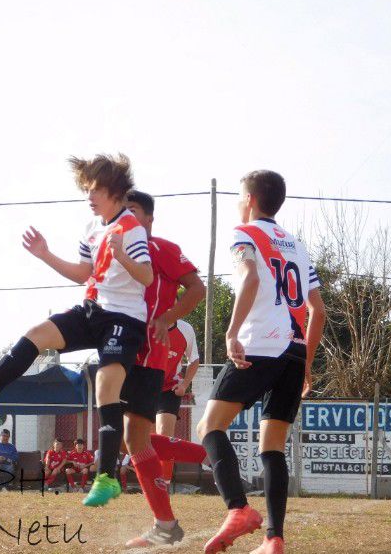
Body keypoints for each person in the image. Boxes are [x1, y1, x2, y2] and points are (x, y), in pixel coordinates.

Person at [0, 154, 153, 507]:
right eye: (86, 188)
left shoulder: (130, 228)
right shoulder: (92, 227)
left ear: (114, 190)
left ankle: (105, 478)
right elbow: (83, 273)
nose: (88, 195)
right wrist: (45, 254)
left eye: (95, 189)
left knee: (105, 388)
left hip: (124, 319)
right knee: (37, 333)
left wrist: (124, 257)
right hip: (92, 310)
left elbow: (146, 276)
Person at [197, 170, 326, 554]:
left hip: (260, 345)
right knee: (272, 447)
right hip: (294, 349)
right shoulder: (299, 247)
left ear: (250, 200)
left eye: (239, 196)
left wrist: (231, 332)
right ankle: (274, 539)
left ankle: (238, 509)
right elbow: (317, 311)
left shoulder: (244, 233)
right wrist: (305, 364)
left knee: (209, 426)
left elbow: (250, 277)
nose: (239, 203)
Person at [117, 189, 206, 547]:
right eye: (121, 212)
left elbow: (197, 288)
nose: (126, 218)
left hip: (150, 356)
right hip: (123, 352)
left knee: (134, 436)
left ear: (150, 218)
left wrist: (168, 317)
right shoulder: (114, 251)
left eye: (133, 211)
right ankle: (211, 453)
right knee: (131, 438)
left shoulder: (163, 249)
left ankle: (165, 523)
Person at [155, 318, 200, 480]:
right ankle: (147, 480)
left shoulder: (185, 329)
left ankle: (163, 483)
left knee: (164, 436)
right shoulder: (146, 323)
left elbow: (194, 359)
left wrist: (184, 384)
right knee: (141, 438)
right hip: (145, 386)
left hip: (169, 388)